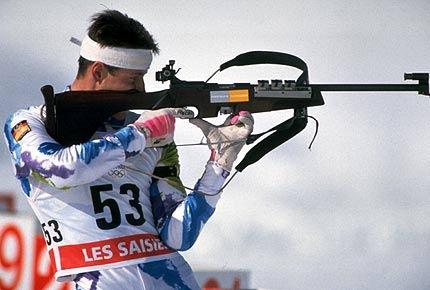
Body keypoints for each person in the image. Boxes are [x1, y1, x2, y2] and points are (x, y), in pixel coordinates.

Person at [3, 10, 254, 290]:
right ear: (98, 72)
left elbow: (178, 236)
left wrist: (219, 165)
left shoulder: (153, 133)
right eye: (133, 79)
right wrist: (139, 135)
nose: (141, 90)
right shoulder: (30, 122)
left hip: (172, 279)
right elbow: (64, 169)